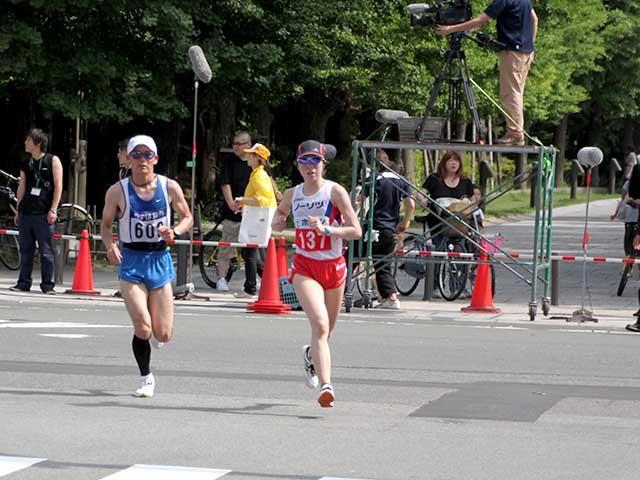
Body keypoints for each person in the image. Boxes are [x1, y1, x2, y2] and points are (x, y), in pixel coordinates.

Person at [101, 135, 193, 397]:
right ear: (128, 159)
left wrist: (174, 231)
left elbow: (187, 217)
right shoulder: (117, 191)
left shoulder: (169, 187)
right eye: (137, 155)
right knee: (143, 326)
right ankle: (146, 378)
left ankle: (156, 337)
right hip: (131, 261)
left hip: (160, 259)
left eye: (147, 155)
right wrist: (110, 246)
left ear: (156, 158)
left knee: (163, 334)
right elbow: (106, 226)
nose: (143, 160)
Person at [272, 140, 362, 408]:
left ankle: (311, 354)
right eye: (305, 162)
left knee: (327, 331)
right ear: (297, 165)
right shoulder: (292, 194)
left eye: (315, 161)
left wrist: (329, 229)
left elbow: (355, 230)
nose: (310, 167)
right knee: (320, 325)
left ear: (324, 164)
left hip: (334, 267)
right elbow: (279, 219)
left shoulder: (335, 192)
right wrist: (277, 222)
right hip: (305, 267)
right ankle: (326, 386)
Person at [437, 0, 538, 146]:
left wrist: (450, 29)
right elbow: (534, 18)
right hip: (525, 52)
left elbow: (481, 20)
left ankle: (515, 134)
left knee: (510, 94)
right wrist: (531, 44)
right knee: (516, 93)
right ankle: (516, 132)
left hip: (512, 52)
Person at [10, 128, 63, 294]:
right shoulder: (26, 163)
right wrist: (18, 210)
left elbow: (58, 186)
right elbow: (22, 187)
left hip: (44, 212)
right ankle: (23, 283)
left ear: (38, 143)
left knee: (46, 251)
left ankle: (48, 285)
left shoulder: (52, 160)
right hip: (27, 212)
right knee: (26, 250)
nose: (25, 143)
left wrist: (53, 209)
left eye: (28, 140)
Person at [364, 148, 415, 310]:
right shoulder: (402, 181)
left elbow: (358, 201)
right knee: (383, 263)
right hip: (391, 227)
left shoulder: (374, 179)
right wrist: (405, 222)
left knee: (350, 258)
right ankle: (390, 296)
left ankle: (337, 291)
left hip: (374, 226)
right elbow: (411, 205)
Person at [233, 143, 277, 299]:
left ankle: (250, 288)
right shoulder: (257, 174)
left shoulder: (259, 175)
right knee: (257, 256)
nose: (248, 156)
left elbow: (262, 200)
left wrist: (242, 200)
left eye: (251, 154)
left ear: (258, 158)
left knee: (250, 252)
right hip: (258, 218)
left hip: (259, 219)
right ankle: (272, 285)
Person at [216, 131, 252, 293]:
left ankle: (253, 281)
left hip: (251, 212)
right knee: (226, 246)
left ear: (248, 145)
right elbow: (225, 183)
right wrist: (230, 202)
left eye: (239, 144)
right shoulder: (229, 161)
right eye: (234, 144)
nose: (235, 147)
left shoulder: (255, 160)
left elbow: (267, 177)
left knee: (252, 249)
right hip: (233, 212)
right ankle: (222, 279)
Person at [422, 151, 481, 249]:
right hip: (438, 221)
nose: (454, 163)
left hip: (460, 222)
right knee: (439, 250)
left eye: (456, 161)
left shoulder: (465, 181)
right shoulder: (434, 178)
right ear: (444, 163)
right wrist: (423, 201)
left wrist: (473, 200)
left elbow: (473, 198)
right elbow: (420, 194)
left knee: (460, 251)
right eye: (450, 160)